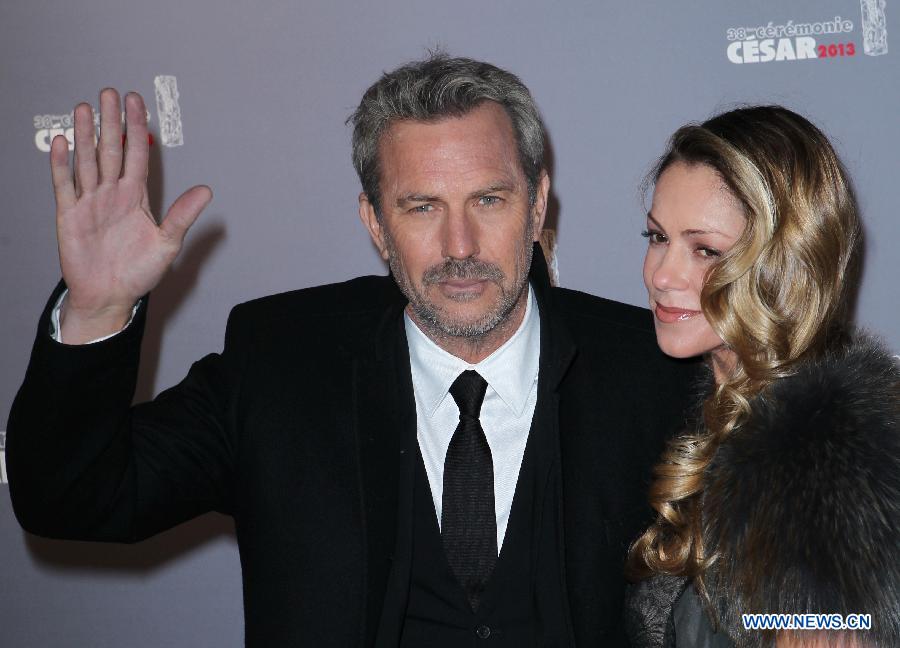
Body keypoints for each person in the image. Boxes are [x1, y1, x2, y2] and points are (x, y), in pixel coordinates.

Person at [7, 55, 697, 646]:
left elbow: (776, 593)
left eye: (489, 200)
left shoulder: (652, 371)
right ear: (375, 222)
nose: (460, 247)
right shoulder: (280, 365)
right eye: (421, 207)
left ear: (539, 205)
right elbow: (72, 498)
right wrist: (97, 309)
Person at [622, 105, 899, 647]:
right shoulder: (706, 411)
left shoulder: (822, 461)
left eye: (705, 249)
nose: (662, 274)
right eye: (657, 237)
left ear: (784, 261)